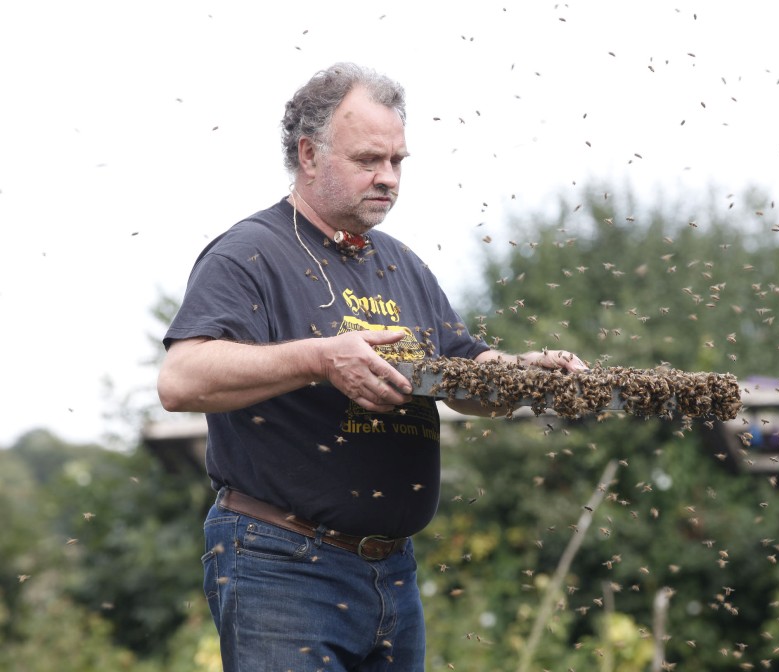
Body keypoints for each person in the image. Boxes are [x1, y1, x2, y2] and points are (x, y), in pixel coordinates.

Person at [157, 62, 587, 672]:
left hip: (393, 570)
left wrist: (521, 373)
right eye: (368, 160)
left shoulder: (400, 264)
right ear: (309, 154)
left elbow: (461, 371)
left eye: (397, 161)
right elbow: (180, 380)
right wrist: (320, 357)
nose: (388, 177)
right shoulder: (250, 253)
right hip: (281, 563)